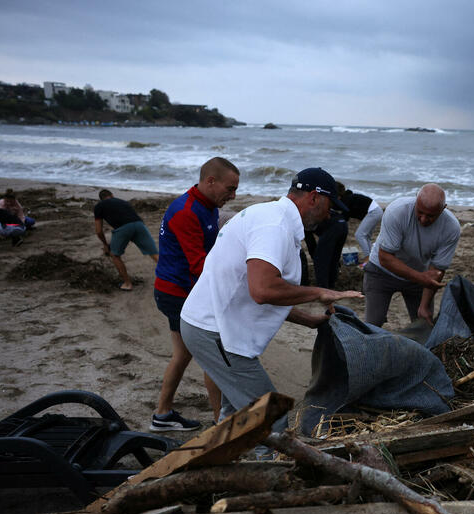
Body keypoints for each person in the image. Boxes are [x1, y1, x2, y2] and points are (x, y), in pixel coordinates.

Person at [179, 167, 362, 432]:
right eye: (329, 207)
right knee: (271, 417)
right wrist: (319, 292)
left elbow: (255, 290)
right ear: (314, 198)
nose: (328, 215)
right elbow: (263, 290)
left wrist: (310, 321)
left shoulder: (271, 217)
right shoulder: (274, 226)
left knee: (234, 412)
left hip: (213, 325)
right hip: (214, 331)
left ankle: (222, 459)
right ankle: (270, 468)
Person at [150, 157, 240, 432]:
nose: (233, 195)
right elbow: (200, 266)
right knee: (214, 355)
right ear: (210, 181)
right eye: (230, 188)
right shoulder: (187, 211)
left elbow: (211, 252)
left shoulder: (208, 205)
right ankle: (220, 423)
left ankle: (162, 415)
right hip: (178, 293)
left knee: (183, 354)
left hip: (178, 289)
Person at [362, 184, 460, 327]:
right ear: (415, 201)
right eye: (420, 212)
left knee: (423, 323)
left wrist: (424, 305)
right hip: (381, 271)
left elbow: (437, 269)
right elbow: (385, 257)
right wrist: (421, 277)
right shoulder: (397, 211)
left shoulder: (451, 227)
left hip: (419, 276)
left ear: (443, 208)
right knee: (373, 323)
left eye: (431, 216)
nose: (423, 219)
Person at [93, 190, 159, 291]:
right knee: (153, 253)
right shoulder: (123, 202)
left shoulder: (99, 206)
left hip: (123, 228)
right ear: (112, 195)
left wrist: (106, 245)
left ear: (101, 199)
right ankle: (173, 278)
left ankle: (127, 284)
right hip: (139, 225)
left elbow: (98, 231)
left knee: (115, 255)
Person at [300, 205, 348, 288]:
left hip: (333, 226)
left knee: (320, 259)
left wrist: (315, 257)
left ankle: (323, 288)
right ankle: (331, 285)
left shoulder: (303, 220)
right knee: (333, 257)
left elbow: (310, 243)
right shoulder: (308, 213)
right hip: (343, 224)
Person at [339, 184, 383, 264]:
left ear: (338, 195)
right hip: (377, 210)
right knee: (366, 236)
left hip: (373, 212)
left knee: (359, 235)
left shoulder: (347, 199)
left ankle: (368, 258)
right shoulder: (348, 198)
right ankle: (371, 259)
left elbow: (345, 217)